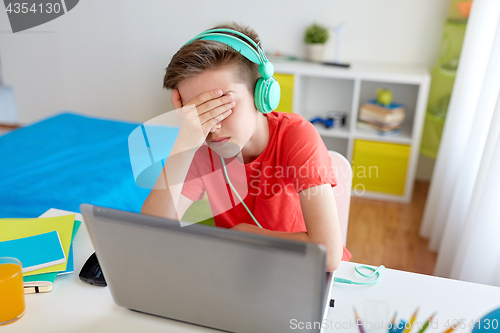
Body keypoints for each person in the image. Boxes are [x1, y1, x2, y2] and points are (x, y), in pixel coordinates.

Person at [141, 22, 351, 271]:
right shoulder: (201, 146)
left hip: (301, 269)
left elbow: (327, 255)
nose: (213, 126)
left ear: (262, 95)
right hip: (242, 268)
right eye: (199, 113)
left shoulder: (296, 136)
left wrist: (244, 233)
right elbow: (151, 231)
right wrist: (186, 140)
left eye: (224, 105)